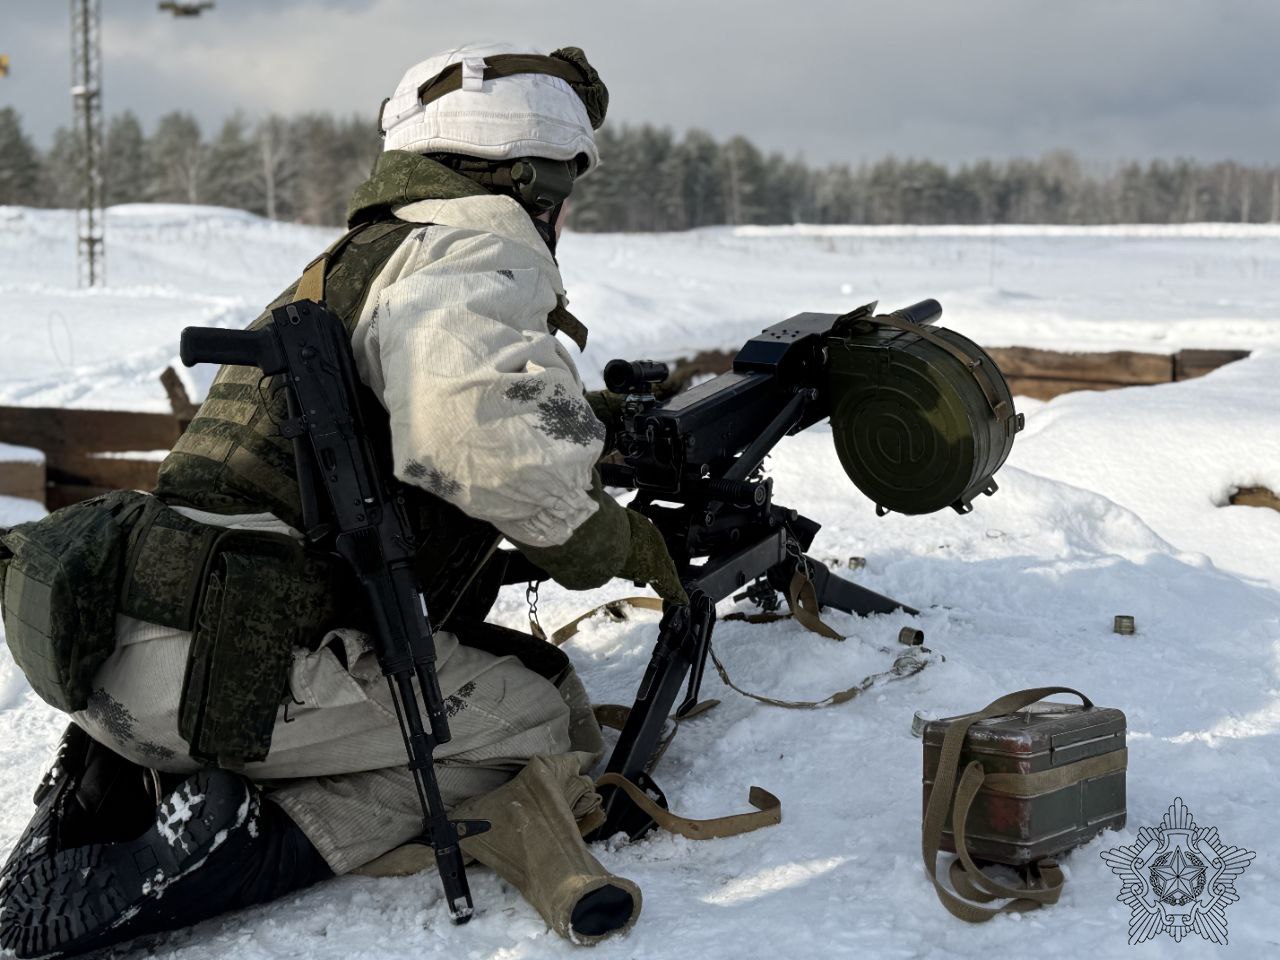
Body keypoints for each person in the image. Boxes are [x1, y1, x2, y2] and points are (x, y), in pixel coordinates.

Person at [0, 42, 687, 958]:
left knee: (497, 668)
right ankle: (245, 837)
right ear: (533, 180)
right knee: (540, 726)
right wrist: (614, 540)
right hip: (229, 676)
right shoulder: (471, 245)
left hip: (125, 655)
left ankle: (119, 784)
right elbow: (479, 444)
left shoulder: (355, 262)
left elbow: (425, 411)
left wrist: (582, 420)